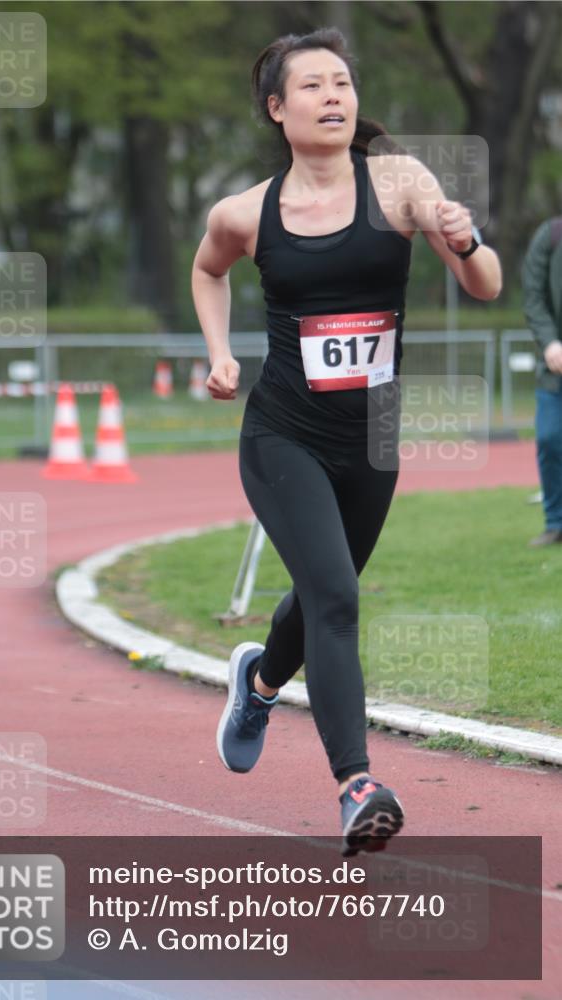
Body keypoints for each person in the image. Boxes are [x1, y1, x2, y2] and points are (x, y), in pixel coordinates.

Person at [191, 28, 502, 857]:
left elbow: (484, 285)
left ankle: (257, 684)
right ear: (276, 109)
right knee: (335, 597)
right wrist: (219, 354)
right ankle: (355, 783)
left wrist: (463, 240)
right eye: (312, 86)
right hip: (281, 434)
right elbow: (206, 270)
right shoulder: (244, 212)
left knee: (322, 596)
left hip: (370, 439)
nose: (333, 96)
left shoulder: (398, 182)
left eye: (342, 83)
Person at [522, 216, 562, 546]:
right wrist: (550, 342)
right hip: (556, 370)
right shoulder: (550, 235)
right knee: (550, 439)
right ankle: (556, 522)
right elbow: (533, 296)